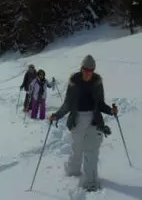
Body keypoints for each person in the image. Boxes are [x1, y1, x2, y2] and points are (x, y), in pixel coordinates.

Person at [49, 55, 118, 191]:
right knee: (77, 149)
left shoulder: (97, 83)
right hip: (77, 119)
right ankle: (73, 171)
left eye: (90, 70)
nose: (88, 73)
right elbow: (68, 104)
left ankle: (90, 182)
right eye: (85, 70)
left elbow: (101, 104)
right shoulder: (73, 83)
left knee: (91, 150)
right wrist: (57, 115)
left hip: (94, 119)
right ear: (81, 69)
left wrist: (111, 111)